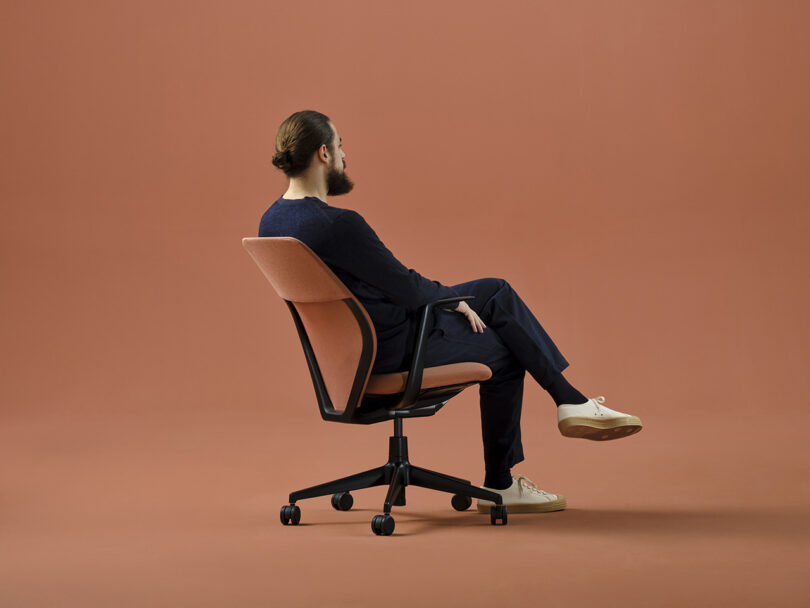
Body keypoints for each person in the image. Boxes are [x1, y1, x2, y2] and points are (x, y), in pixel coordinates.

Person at [258, 110, 643, 515]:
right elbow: (403, 286)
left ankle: (570, 401)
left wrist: (447, 297)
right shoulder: (338, 225)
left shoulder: (272, 222)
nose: (344, 155)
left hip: (347, 356)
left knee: (494, 291)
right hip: (393, 349)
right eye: (339, 145)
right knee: (511, 352)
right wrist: (450, 300)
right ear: (323, 153)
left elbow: (386, 285)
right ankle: (505, 479)